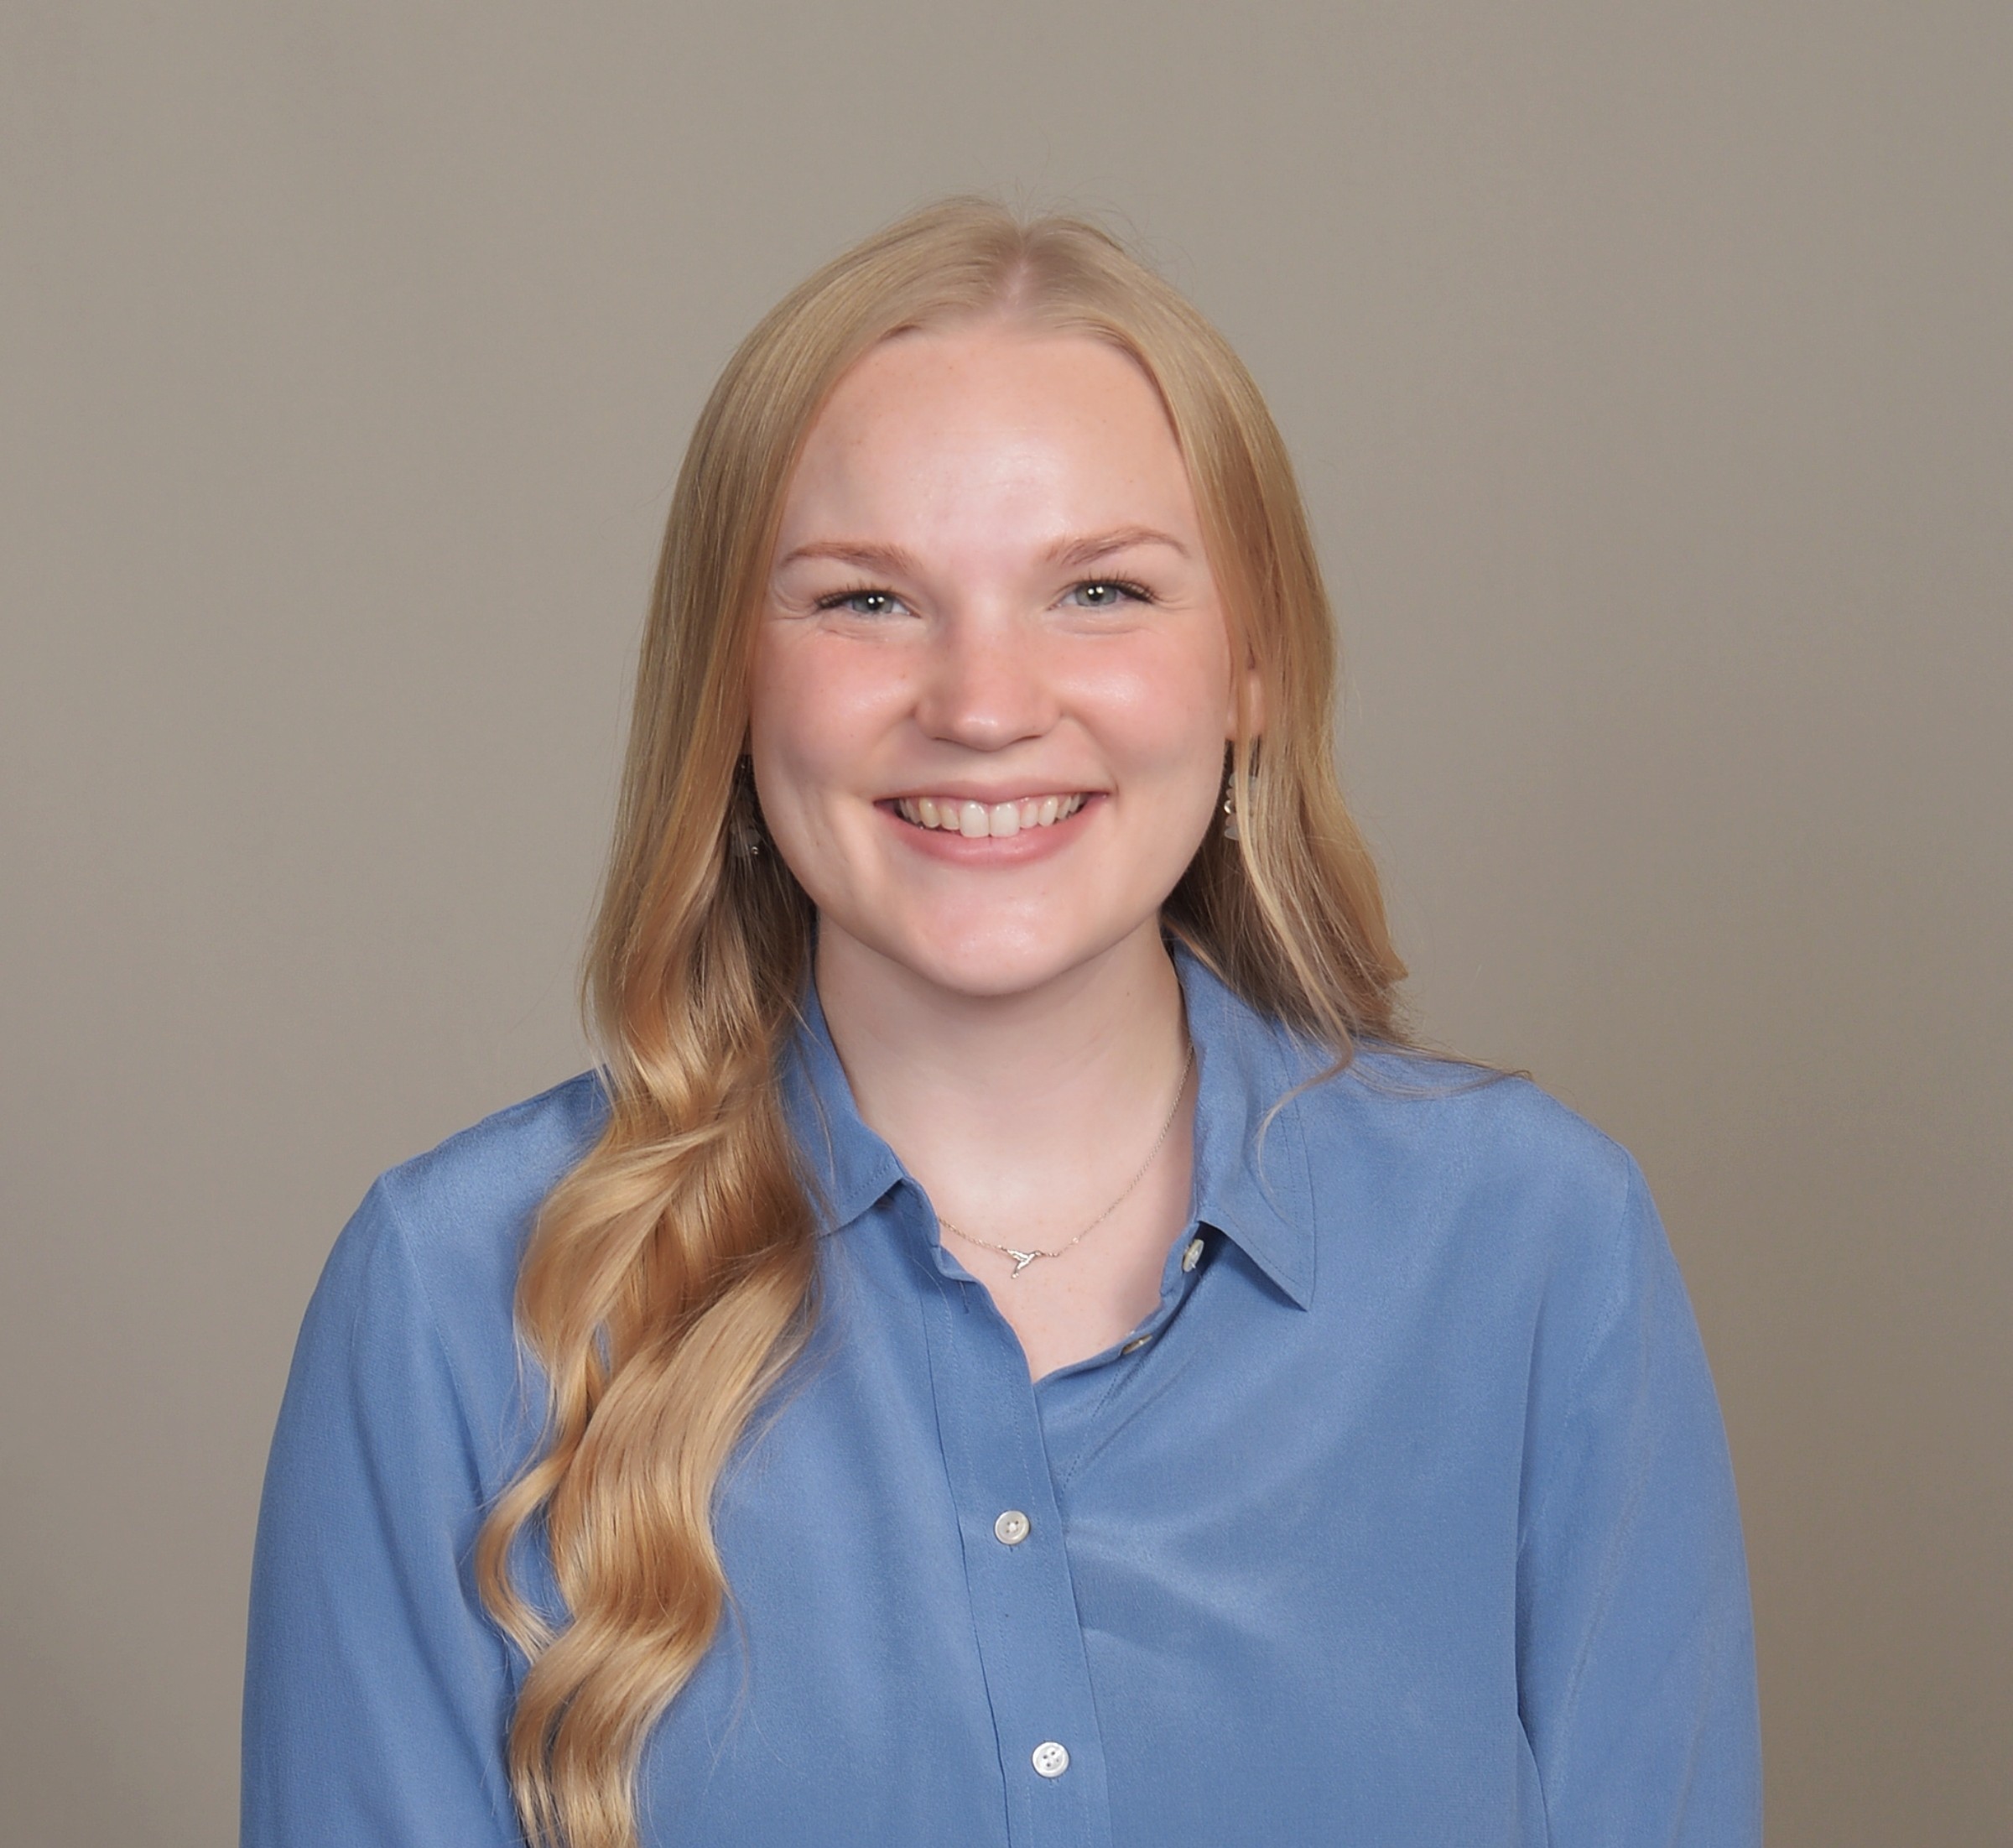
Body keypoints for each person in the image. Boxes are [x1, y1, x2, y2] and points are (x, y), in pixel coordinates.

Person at [242, 198, 1761, 1848]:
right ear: (731, 688)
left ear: (1252, 667)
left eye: (1100, 590)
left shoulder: (1540, 1254)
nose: (981, 703)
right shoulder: (458, 1300)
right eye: (867, 601)